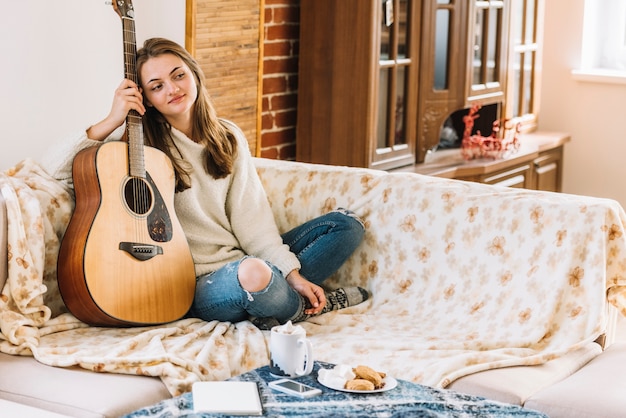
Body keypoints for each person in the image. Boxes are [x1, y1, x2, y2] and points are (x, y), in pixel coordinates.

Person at [43, 37, 368, 329]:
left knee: (345, 227)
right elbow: (54, 169)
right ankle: (293, 306)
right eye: (156, 86)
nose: (172, 89)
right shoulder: (135, 143)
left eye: (178, 75)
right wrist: (112, 118)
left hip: (242, 262)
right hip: (192, 283)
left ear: (194, 74)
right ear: (147, 99)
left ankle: (275, 302)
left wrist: (292, 275)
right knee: (254, 274)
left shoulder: (227, 136)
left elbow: (252, 219)